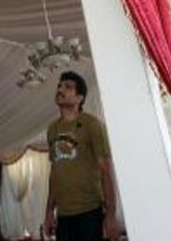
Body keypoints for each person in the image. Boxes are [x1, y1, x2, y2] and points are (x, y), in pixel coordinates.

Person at [43, 71, 119, 241]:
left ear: (80, 98)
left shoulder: (92, 124)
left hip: (89, 211)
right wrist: (49, 211)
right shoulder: (52, 129)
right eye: (59, 86)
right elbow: (54, 173)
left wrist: (111, 215)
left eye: (68, 87)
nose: (60, 89)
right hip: (63, 214)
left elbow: (105, 170)